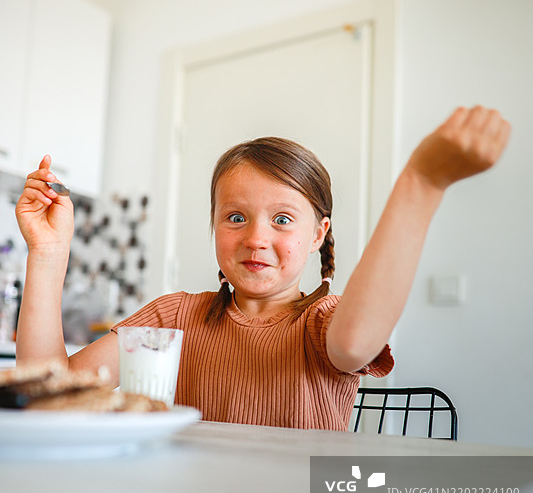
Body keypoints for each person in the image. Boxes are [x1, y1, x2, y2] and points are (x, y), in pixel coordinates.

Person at [15, 106, 510, 430]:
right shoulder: (172, 319)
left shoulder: (323, 324)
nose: (256, 238)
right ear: (213, 225)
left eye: (282, 219)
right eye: (235, 217)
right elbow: (51, 389)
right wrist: (48, 254)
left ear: (317, 234)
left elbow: (356, 343)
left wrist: (421, 182)